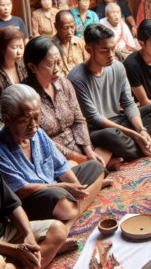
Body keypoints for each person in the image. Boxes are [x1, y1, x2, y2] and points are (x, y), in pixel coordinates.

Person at [0, 84, 107, 231]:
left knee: (96, 167)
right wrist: (62, 186)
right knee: (61, 201)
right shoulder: (1, 150)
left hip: (53, 187)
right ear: (6, 119)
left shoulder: (39, 134)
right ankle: (73, 215)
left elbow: (61, 166)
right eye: (25, 120)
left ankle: (70, 219)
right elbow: (21, 190)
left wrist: (78, 188)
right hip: (31, 202)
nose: (33, 126)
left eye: (37, 117)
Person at [68, 24, 151, 161]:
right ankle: (149, 140)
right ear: (89, 50)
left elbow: (128, 103)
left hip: (119, 121)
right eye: (105, 50)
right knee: (111, 136)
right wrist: (135, 135)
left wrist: (141, 129)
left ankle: (129, 147)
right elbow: (95, 119)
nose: (111, 55)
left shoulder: (118, 67)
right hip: (99, 130)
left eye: (113, 48)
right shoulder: (77, 77)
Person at [22, 36, 118, 171]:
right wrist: (80, 158)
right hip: (53, 156)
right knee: (73, 168)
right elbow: (42, 141)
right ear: (32, 66)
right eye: (50, 65)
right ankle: (98, 169)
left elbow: (79, 120)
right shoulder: (26, 96)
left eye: (59, 63)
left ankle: (96, 169)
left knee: (109, 138)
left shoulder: (65, 84)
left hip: (76, 145)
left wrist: (89, 151)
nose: (56, 69)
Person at [0, 172, 71, 268]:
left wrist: (29, 235)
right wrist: (15, 250)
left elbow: (13, 206)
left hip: (4, 232)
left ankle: (14, 263)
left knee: (58, 230)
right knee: (3, 265)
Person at [53, 11, 88, 77]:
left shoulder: (79, 43)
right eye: (65, 28)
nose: (69, 32)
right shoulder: (51, 46)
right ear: (56, 26)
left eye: (72, 27)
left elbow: (87, 64)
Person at [0, 27, 27, 96]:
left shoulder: (23, 65)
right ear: (3, 49)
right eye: (14, 47)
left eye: (21, 47)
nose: (19, 52)